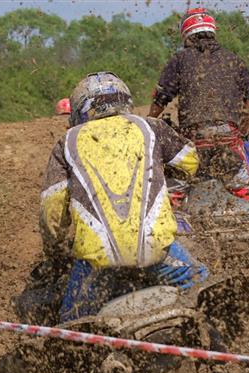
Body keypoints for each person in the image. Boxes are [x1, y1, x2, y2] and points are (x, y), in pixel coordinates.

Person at [40, 71, 209, 322]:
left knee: (71, 325)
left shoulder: (66, 143)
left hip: (97, 265)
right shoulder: (151, 127)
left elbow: (51, 212)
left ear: (80, 110)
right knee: (203, 284)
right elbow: (191, 164)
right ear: (124, 100)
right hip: (156, 253)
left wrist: (55, 253)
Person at [148, 8, 249, 205]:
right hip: (228, 139)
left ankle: (175, 212)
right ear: (212, 30)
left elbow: (161, 99)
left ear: (186, 34)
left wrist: (149, 121)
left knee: (174, 193)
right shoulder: (234, 60)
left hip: (193, 140)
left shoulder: (179, 60)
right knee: (243, 188)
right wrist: (241, 131)